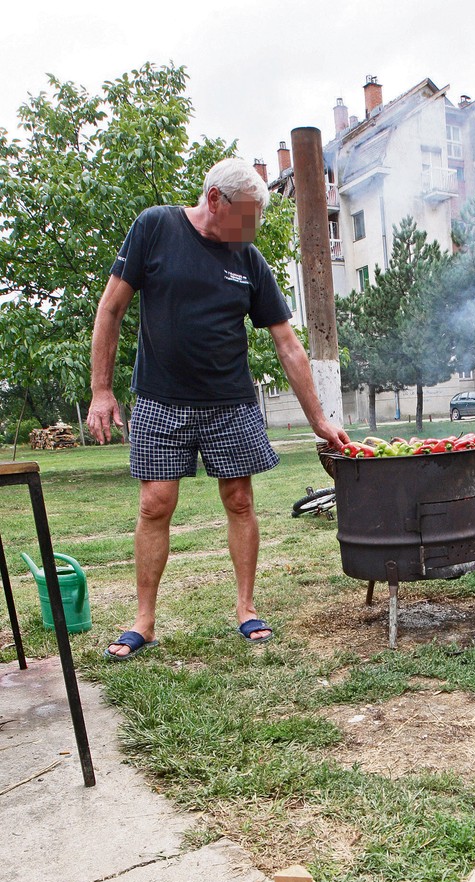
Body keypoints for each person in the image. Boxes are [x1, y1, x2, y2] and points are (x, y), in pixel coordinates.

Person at [87, 157, 349, 659]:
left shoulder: (248, 259)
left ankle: (246, 608)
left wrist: (319, 419)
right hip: (161, 400)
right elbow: (111, 307)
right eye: (246, 216)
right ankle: (143, 620)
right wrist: (102, 390)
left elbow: (287, 344)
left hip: (229, 403)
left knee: (241, 502)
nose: (250, 229)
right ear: (214, 200)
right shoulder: (155, 227)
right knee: (154, 505)